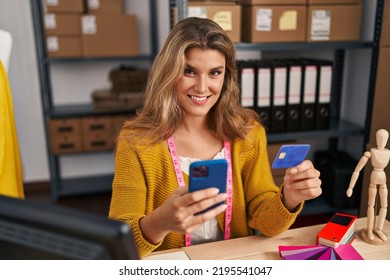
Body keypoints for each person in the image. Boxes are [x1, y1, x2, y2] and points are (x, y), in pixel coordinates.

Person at [108, 17, 322, 258]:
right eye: (189, 71)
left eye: (214, 73)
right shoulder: (136, 141)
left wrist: (288, 199)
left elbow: (266, 222)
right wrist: (160, 223)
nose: (202, 87)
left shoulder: (248, 133)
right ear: (168, 72)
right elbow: (118, 242)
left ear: (226, 76)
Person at [347, 129, 389, 243]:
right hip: (374, 180)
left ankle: (379, 228)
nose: (382, 140)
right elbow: (357, 170)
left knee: (384, 206)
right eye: (380, 137)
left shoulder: (387, 152)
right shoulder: (371, 152)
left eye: (384, 138)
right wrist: (351, 187)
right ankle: (370, 229)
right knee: (371, 205)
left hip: (383, 180)